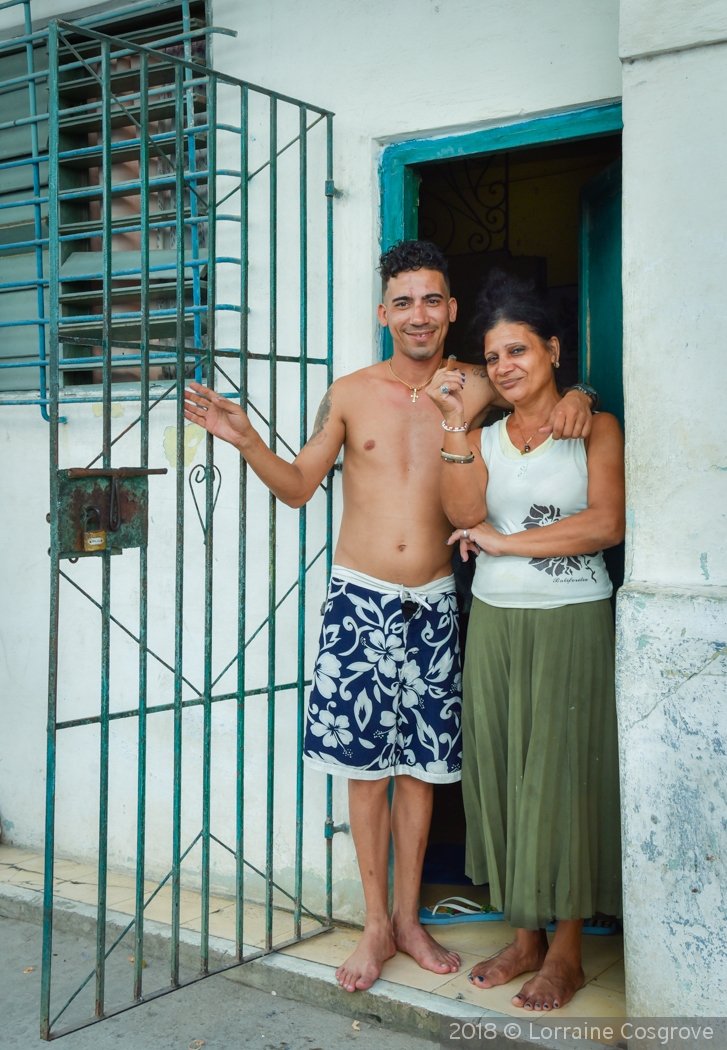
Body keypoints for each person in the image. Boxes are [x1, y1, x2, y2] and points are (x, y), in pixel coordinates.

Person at [183, 241, 595, 994]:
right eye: (403, 301)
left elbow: (538, 389)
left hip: (436, 600)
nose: (419, 315)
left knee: (421, 771)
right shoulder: (349, 393)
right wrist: (246, 441)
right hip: (359, 599)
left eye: (433, 300)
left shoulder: (474, 385)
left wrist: (583, 396)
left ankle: (409, 919)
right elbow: (300, 486)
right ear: (383, 312)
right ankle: (376, 925)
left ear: (450, 311)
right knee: (364, 774)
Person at [425, 270, 624, 1012]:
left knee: (560, 777)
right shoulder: (481, 436)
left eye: (520, 349)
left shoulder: (593, 426)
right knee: (504, 774)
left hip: (570, 616)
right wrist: (452, 421)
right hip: (496, 621)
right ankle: (524, 935)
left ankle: (567, 951)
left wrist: (509, 545)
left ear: (553, 348)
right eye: (494, 356)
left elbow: (606, 525)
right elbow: (466, 509)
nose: (506, 365)